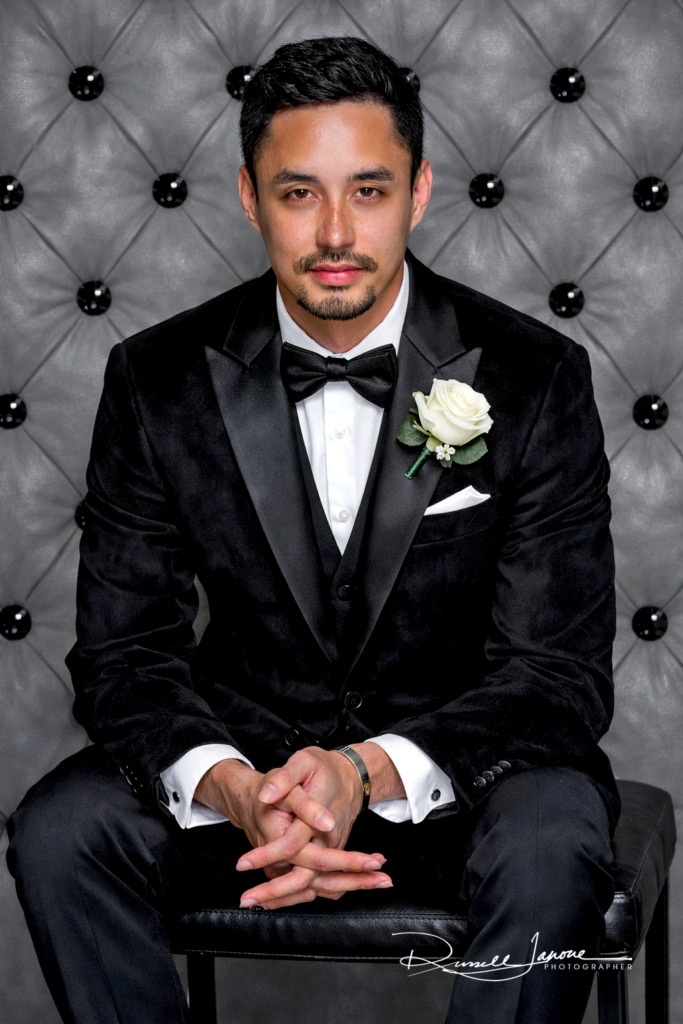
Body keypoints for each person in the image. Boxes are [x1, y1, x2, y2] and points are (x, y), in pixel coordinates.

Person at [8, 35, 619, 1024]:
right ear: (250, 200)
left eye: (368, 191)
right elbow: (122, 654)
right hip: (246, 781)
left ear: (417, 193)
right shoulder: (154, 381)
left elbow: (556, 675)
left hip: (462, 783)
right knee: (58, 831)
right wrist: (236, 788)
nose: (335, 232)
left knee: (554, 839)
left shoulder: (534, 377)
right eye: (299, 193)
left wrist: (365, 772)